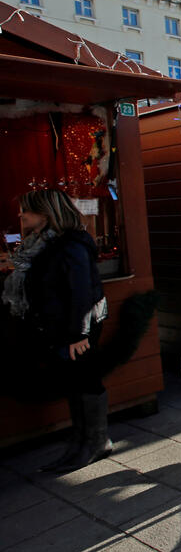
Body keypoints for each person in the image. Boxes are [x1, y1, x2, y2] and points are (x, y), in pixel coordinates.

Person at [2, 190, 109, 472]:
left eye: (27, 210)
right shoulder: (42, 243)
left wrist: (78, 334)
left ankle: (96, 441)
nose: (21, 215)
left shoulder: (71, 244)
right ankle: (81, 440)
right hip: (60, 326)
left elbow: (81, 292)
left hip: (77, 327)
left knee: (84, 379)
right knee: (73, 381)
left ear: (46, 213)